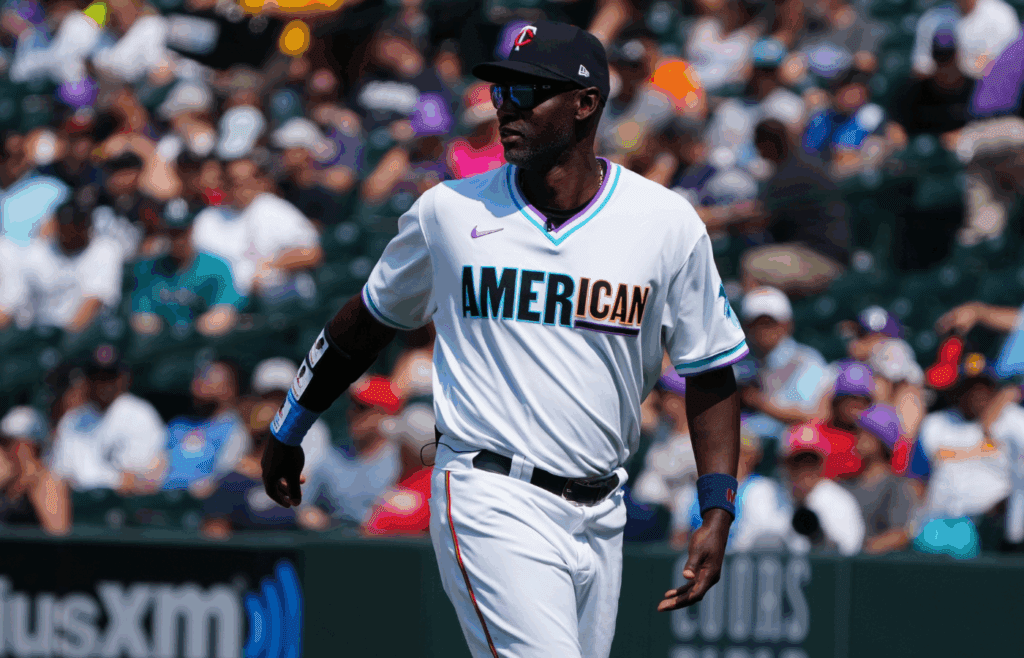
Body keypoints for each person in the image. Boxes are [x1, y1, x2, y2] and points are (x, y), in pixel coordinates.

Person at [261, 21, 748, 658]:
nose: (505, 107)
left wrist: (717, 507)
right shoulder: (450, 212)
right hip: (489, 491)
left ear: (585, 103)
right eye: (501, 91)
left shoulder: (665, 224)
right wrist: (289, 424)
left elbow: (709, 370)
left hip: (603, 509)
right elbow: (365, 322)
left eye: (528, 91)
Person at [741, 119, 851, 297]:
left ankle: (754, 321)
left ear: (769, 144)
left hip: (822, 259)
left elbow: (757, 218)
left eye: (759, 144)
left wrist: (720, 219)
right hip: (811, 253)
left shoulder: (793, 172)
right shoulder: (799, 165)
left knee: (752, 265)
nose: (757, 150)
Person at [48, 345, 167, 493]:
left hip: (119, 502)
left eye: (109, 376)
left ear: (122, 379)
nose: (103, 383)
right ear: (87, 380)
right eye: (97, 376)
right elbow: (59, 473)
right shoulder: (73, 420)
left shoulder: (139, 414)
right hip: (78, 501)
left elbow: (135, 479)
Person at [301, 376, 403, 529]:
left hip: (388, 545)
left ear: (384, 414)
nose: (353, 413)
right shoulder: (333, 456)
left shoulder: (402, 458)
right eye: (352, 405)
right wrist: (312, 516)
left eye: (362, 408)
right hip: (340, 543)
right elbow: (304, 507)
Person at [129, 203, 245, 337]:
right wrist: (162, 330)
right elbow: (140, 315)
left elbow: (224, 313)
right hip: (161, 346)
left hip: (203, 344)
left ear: (191, 230)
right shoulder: (149, 268)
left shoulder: (216, 267)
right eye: (173, 233)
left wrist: (193, 330)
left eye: (182, 232)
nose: (178, 239)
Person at [675, 427, 797, 553]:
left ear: (752, 457)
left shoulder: (762, 489)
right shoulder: (689, 494)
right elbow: (678, 542)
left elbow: (760, 540)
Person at [738, 286, 832, 439]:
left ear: (787, 325)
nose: (762, 330)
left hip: (792, 448)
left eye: (769, 323)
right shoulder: (739, 364)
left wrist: (758, 401)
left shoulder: (806, 361)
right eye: (755, 323)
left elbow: (815, 416)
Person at [163, 359, 251, 496]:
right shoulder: (178, 426)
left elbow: (223, 477)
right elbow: (155, 467)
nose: (200, 381)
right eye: (200, 375)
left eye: (209, 377)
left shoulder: (234, 431)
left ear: (230, 389)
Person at [843, 404, 918, 553]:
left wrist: (859, 553)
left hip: (876, 569)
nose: (857, 438)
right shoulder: (846, 484)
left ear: (879, 441)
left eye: (864, 433)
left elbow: (900, 535)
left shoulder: (897, 487)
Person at [782, 423, 866, 555]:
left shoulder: (838, 501)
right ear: (787, 466)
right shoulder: (779, 498)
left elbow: (848, 552)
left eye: (810, 462)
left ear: (821, 464)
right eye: (797, 462)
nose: (804, 470)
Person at [789, 362, 874, 480]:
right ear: (836, 401)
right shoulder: (812, 433)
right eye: (851, 398)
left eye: (862, 400)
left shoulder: (871, 440)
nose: (856, 406)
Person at [0, 406, 70, 534]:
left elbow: (58, 535)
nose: (3, 449)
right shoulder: (6, 483)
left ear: (30, 446)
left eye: (7, 442)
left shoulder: (48, 483)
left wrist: (29, 480)